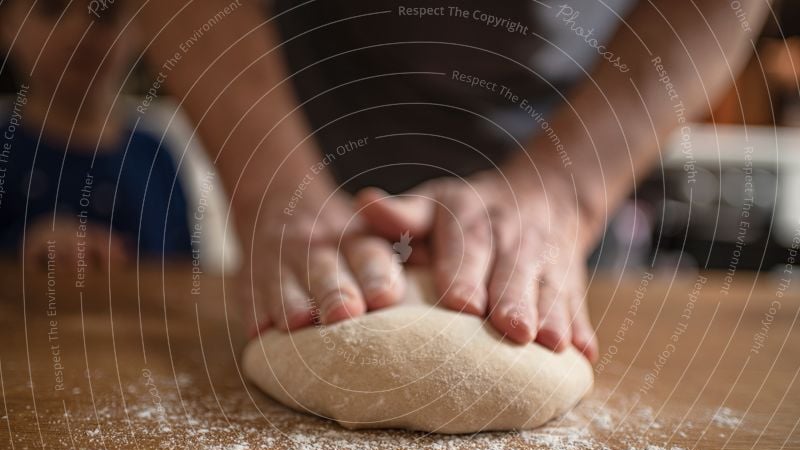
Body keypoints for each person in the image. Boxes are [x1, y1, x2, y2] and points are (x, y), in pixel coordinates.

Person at [139, 0, 771, 361]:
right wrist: (270, 181)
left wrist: (566, 192)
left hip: (579, 111)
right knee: (317, 314)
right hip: (301, 94)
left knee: (524, 319)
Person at [0, 0, 191, 270]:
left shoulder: (156, 157)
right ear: (6, 24)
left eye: (105, 13)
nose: (80, 31)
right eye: (50, 9)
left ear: (140, 29)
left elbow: (185, 270)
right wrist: (25, 248)